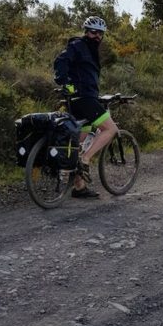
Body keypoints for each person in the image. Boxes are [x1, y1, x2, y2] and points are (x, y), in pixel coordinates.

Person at [53, 16, 118, 199]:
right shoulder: (78, 45)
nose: (96, 36)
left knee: (79, 143)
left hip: (82, 99)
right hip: (83, 99)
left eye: (100, 34)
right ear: (86, 32)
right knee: (110, 129)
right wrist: (64, 81)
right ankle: (86, 158)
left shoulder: (89, 50)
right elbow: (61, 61)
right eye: (93, 32)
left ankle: (79, 187)